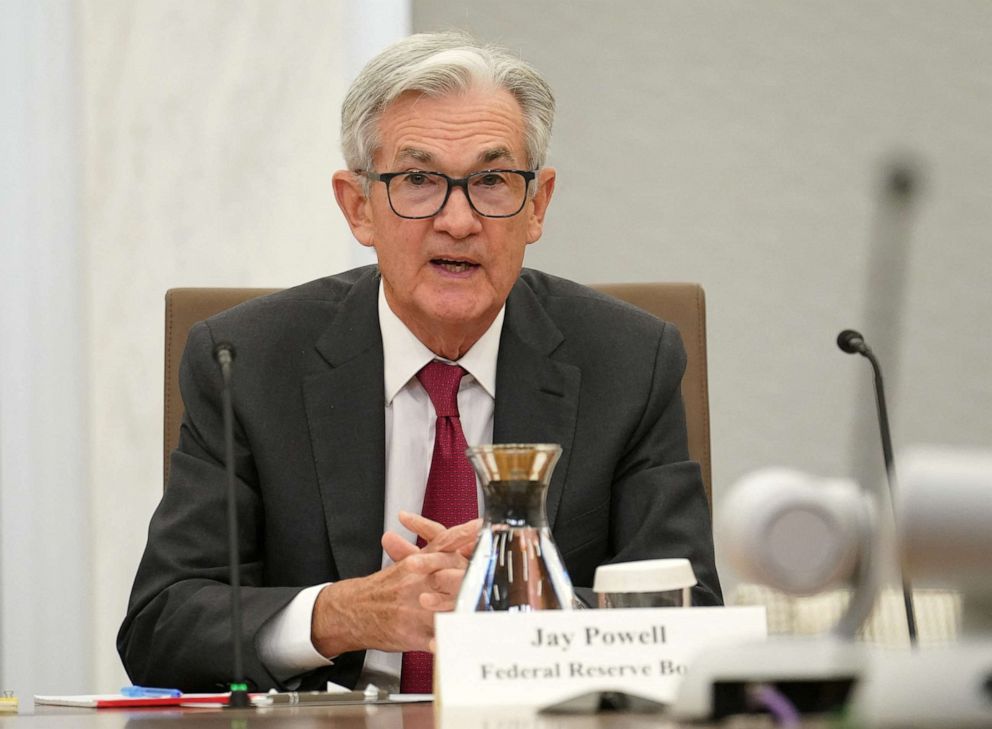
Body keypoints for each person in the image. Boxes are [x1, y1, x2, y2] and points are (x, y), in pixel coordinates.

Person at [118, 31, 721, 694]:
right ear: (358, 206)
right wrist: (345, 613)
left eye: (492, 181)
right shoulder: (247, 363)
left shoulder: (629, 363)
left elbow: (689, 624)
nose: (458, 220)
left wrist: (529, 613)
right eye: (419, 180)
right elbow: (161, 623)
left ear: (538, 205)